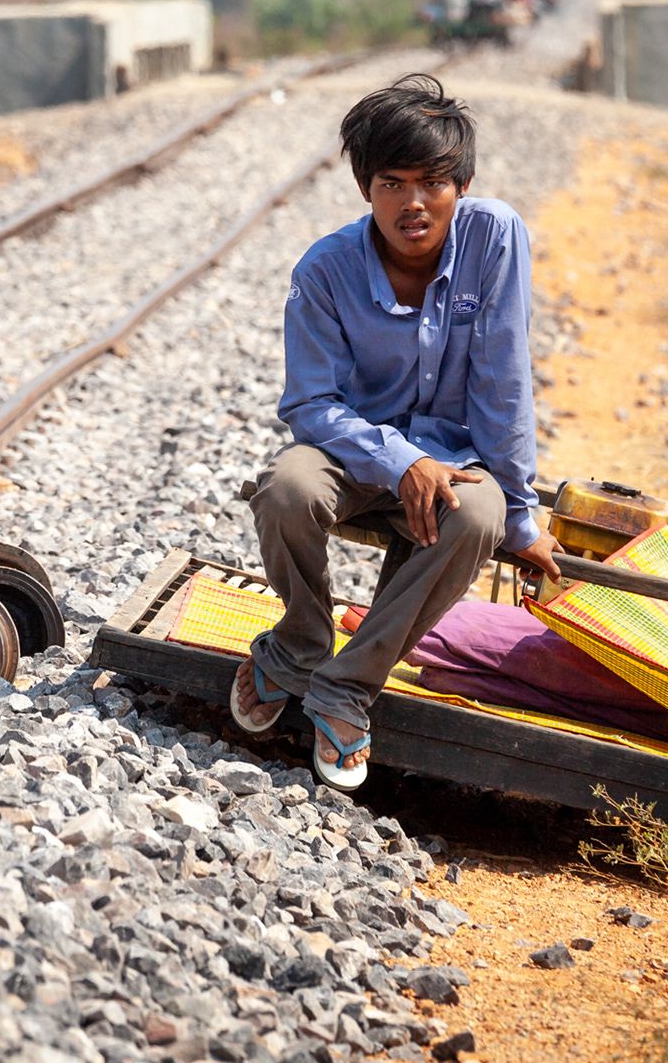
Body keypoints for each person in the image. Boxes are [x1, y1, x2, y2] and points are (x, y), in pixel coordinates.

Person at [233, 74, 564, 791]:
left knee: (482, 513)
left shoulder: (495, 237)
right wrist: (401, 457)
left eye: (433, 182)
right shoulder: (324, 271)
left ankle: (347, 686)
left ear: (462, 185)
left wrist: (522, 515)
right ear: (365, 188)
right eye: (392, 183)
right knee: (286, 487)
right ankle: (297, 646)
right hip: (352, 459)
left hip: (452, 469)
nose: (413, 203)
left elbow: (504, 383)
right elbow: (310, 405)